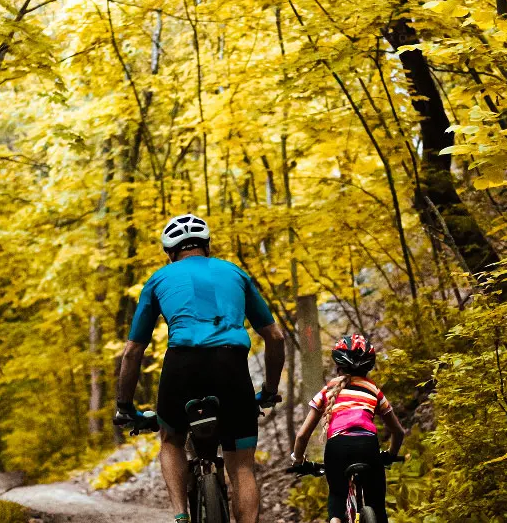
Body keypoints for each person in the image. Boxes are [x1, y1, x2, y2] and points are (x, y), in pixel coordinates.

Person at [113, 213, 285, 523]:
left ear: (170, 253)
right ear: (207, 247)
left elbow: (133, 351)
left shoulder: (158, 280)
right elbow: (275, 337)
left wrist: (125, 405)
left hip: (183, 365)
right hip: (231, 365)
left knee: (171, 439)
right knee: (241, 465)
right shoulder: (235, 272)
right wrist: (269, 391)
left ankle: (180, 516)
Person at [289, 334, 405, 523]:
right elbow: (398, 432)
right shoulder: (373, 390)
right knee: (377, 506)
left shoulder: (328, 390)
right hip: (368, 445)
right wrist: (391, 454)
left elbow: (302, 436)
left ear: (338, 366)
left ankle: (335, 520)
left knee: (337, 497)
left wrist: (299, 460)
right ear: (368, 366)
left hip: (337, 447)